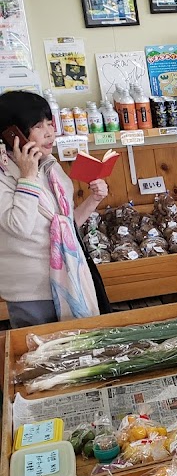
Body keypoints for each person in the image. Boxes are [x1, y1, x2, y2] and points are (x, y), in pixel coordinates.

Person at [0, 90, 109, 328]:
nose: (50, 132)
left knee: (82, 353)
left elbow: (66, 226)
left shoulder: (50, 167)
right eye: (38, 126)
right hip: (31, 293)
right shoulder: (4, 175)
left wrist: (93, 200)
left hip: (72, 278)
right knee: (44, 360)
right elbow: (20, 227)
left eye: (50, 123)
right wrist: (27, 176)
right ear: (12, 133)